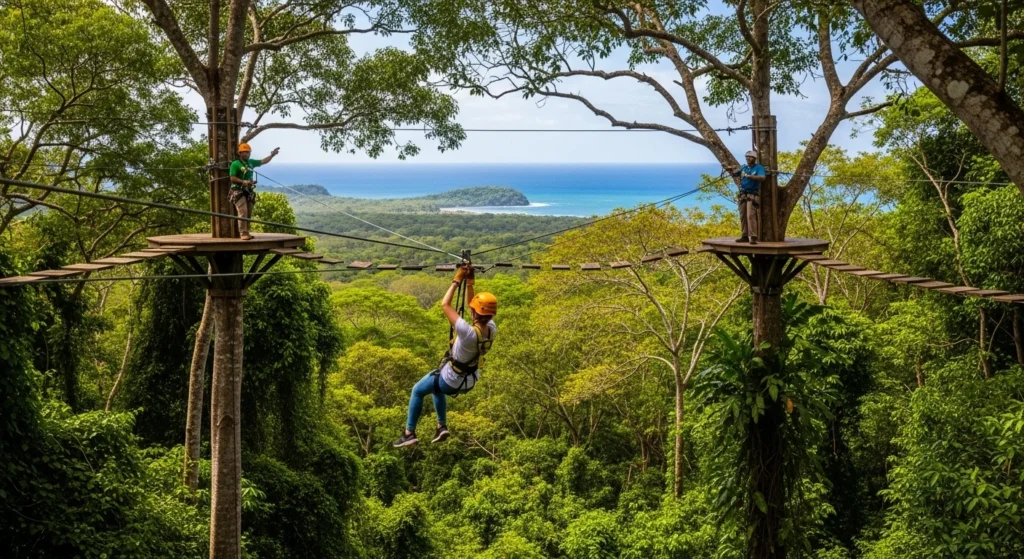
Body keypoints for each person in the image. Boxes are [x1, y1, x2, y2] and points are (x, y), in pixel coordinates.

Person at [393, 264, 498, 448]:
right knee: (436, 388)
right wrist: (471, 282)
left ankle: (409, 433)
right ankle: (441, 426)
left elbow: (445, 305)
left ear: (474, 312)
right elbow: (472, 305)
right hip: (470, 380)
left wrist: (457, 280)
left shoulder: (467, 332)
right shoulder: (492, 330)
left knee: (417, 390)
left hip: (451, 379)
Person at [229, 143, 280, 240]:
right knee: (242, 211)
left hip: (248, 190)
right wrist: (243, 181)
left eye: (247, 153)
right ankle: (243, 233)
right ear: (239, 153)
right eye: (243, 153)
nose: (246, 154)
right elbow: (232, 178)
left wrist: (272, 155)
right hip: (237, 190)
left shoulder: (251, 162)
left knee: (248, 211)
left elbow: (263, 161)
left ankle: (247, 231)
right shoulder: (235, 164)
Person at [727, 150, 766, 244]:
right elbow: (735, 174)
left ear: (754, 158)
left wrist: (749, 176)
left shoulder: (758, 167)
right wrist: (730, 170)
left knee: (750, 215)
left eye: (750, 157)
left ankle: (753, 236)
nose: (748, 159)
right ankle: (744, 236)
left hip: (752, 194)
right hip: (743, 194)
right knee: (743, 215)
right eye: (747, 157)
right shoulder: (744, 167)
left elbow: (762, 178)